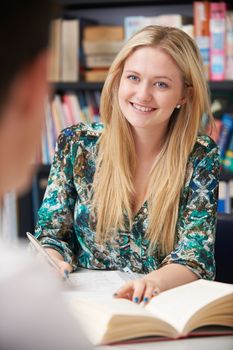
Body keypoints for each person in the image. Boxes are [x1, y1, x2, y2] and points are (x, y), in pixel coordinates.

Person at [35, 25, 220, 304]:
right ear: (118, 80)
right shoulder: (76, 144)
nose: (143, 94)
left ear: (184, 95)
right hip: (84, 305)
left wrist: (150, 283)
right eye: (133, 78)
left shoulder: (200, 156)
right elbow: (51, 237)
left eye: (161, 84)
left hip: (158, 305)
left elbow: (195, 257)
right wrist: (52, 263)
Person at [0, 1, 91, 349]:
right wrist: (51, 255)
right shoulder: (19, 298)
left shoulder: (199, 152)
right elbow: (51, 233)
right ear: (38, 83)